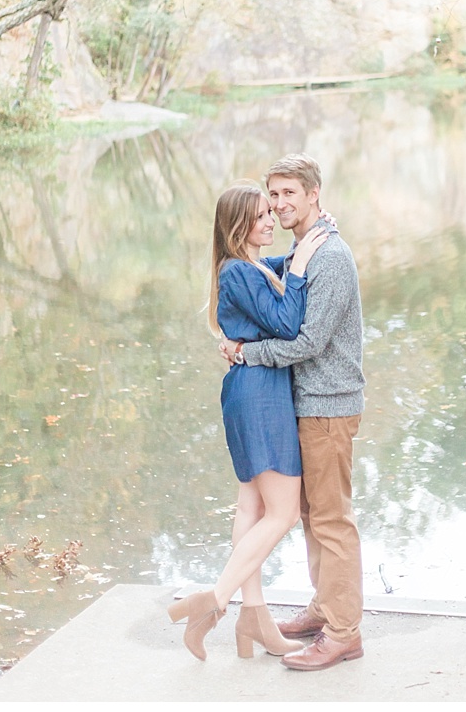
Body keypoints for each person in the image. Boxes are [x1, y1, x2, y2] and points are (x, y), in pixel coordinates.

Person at [168, 180, 329, 661]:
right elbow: (286, 322)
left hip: (249, 393)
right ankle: (214, 601)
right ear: (240, 225)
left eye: (270, 211)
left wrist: (301, 250)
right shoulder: (239, 272)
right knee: (281, 513)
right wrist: (299, 269)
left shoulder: (247, 267)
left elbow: (270, 274)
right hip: (261, 398)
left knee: (251, 509)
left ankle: (253, 618)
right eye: (260, 215)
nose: (270, 220)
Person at [229, 153, 367, 672]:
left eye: (290, 193)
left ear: (314, 194)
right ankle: (325, 608)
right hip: (305, 407)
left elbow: (308, 341)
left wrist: (247, 353)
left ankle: (344, 633)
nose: (280, 204)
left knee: (331, 521)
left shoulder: (330, 257)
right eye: (274, 195)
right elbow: (280, 277)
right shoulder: (304, 250)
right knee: (313, 518)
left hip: (328, 408)